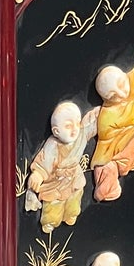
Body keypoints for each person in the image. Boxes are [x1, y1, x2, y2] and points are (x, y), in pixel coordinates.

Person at [90, 54, 134, 201]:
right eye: (113, 96)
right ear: (106, 99)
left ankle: (132, 161)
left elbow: (132, 81)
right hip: (111, 148)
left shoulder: (125, 87)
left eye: (121, 85)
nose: (121, 94)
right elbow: (117, 121)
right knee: (108, 168)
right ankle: (106, 188)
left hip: (125, 138)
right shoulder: (108, 112)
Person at [24, 99, 97, 231]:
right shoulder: (53, 145)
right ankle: (50, 221)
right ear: (56, 131)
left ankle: (71, 214)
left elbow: (92, 123)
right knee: (54, 202)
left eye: (77, 123)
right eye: (68, 126)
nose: (75, 129)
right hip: (56, 180)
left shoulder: (81, 134)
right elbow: (44, 160)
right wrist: (38, 174)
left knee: (75, 196)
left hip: (74, 176)